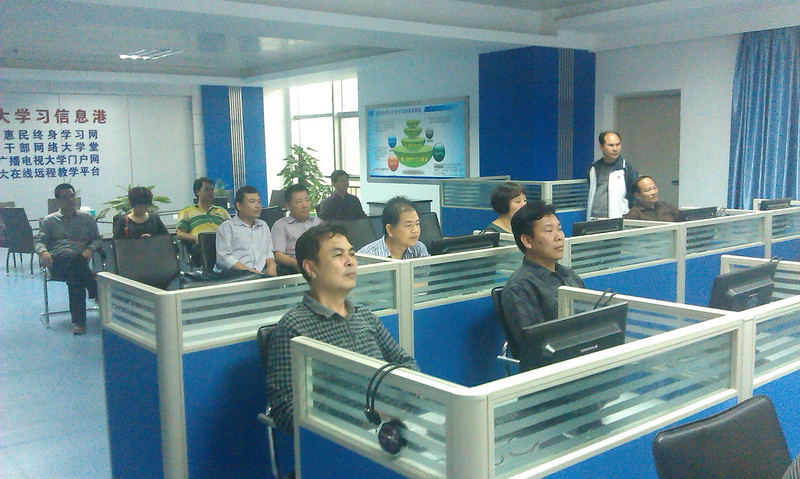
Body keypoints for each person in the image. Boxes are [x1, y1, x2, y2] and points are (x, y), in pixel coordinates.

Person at [266, 224, 418, 433]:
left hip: (390, 430)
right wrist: (360, 418)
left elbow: (405, 364)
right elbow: (286, 410)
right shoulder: (294, 327)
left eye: (352, 254)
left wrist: (401, 404)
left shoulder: (364, 316)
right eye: (338, 255)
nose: (350, 261)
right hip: (342, 440)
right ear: (311, 268)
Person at [501, 201, 585, 350]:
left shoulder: (569, 275)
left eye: (559, 229)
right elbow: (537, 347)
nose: (559, 237)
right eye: (549, 231)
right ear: (528, 241)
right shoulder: (520, 288)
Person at [35, 183, 102, 335]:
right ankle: (95, 290)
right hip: (58, 261)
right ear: (58, 201)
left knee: (76, 276)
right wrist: (43, 252)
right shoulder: (49, 220)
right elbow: (39, 241)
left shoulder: (87, 218)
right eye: (65, 197)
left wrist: (90, 248)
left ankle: (79, 323)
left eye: (72, 196)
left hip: (79, 262)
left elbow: (97, 239)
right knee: (76, 263)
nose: (70, 200)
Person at [215, 185, 277, 276]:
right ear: (239, 206)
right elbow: (224, 258)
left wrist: (272, 265)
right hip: (235, 275)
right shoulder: (227, 227)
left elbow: (268, 253)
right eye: (252, 202)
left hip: (260, 274)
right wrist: (252, 272)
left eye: (259, 202)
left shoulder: (263, 225)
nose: (257, 206)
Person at [176, 177, 231, 263]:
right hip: (201, 245)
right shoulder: (187, 211)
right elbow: (180, 234)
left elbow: (232, 229)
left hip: (221, 243)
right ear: (198, 192)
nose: (211, 192)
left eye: (212, 190)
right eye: (207, 189)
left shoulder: (221, 211)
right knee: (207, 242)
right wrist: (195, 238)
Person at [271, 183, 322, 273]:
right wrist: (297, 264)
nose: (305, 205)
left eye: (307, 200)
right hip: (294, 268)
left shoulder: (318, 222)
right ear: (288, 206)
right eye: (299, 202)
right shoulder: (281, 225)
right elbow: (278, 255)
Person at [587, 131, 638, 219]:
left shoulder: (626, 168)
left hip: (618, 218)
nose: (615, 149)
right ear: (601, 147)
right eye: (611, 145)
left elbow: (634, 197)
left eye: (618, 145)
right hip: (594, 218)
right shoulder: (594, 168)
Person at [358, 196, 429, 259]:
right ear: (390, 230)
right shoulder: (367, 257)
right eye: (408, 225)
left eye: (417, 224)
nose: (415, 230)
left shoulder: (419, 249)